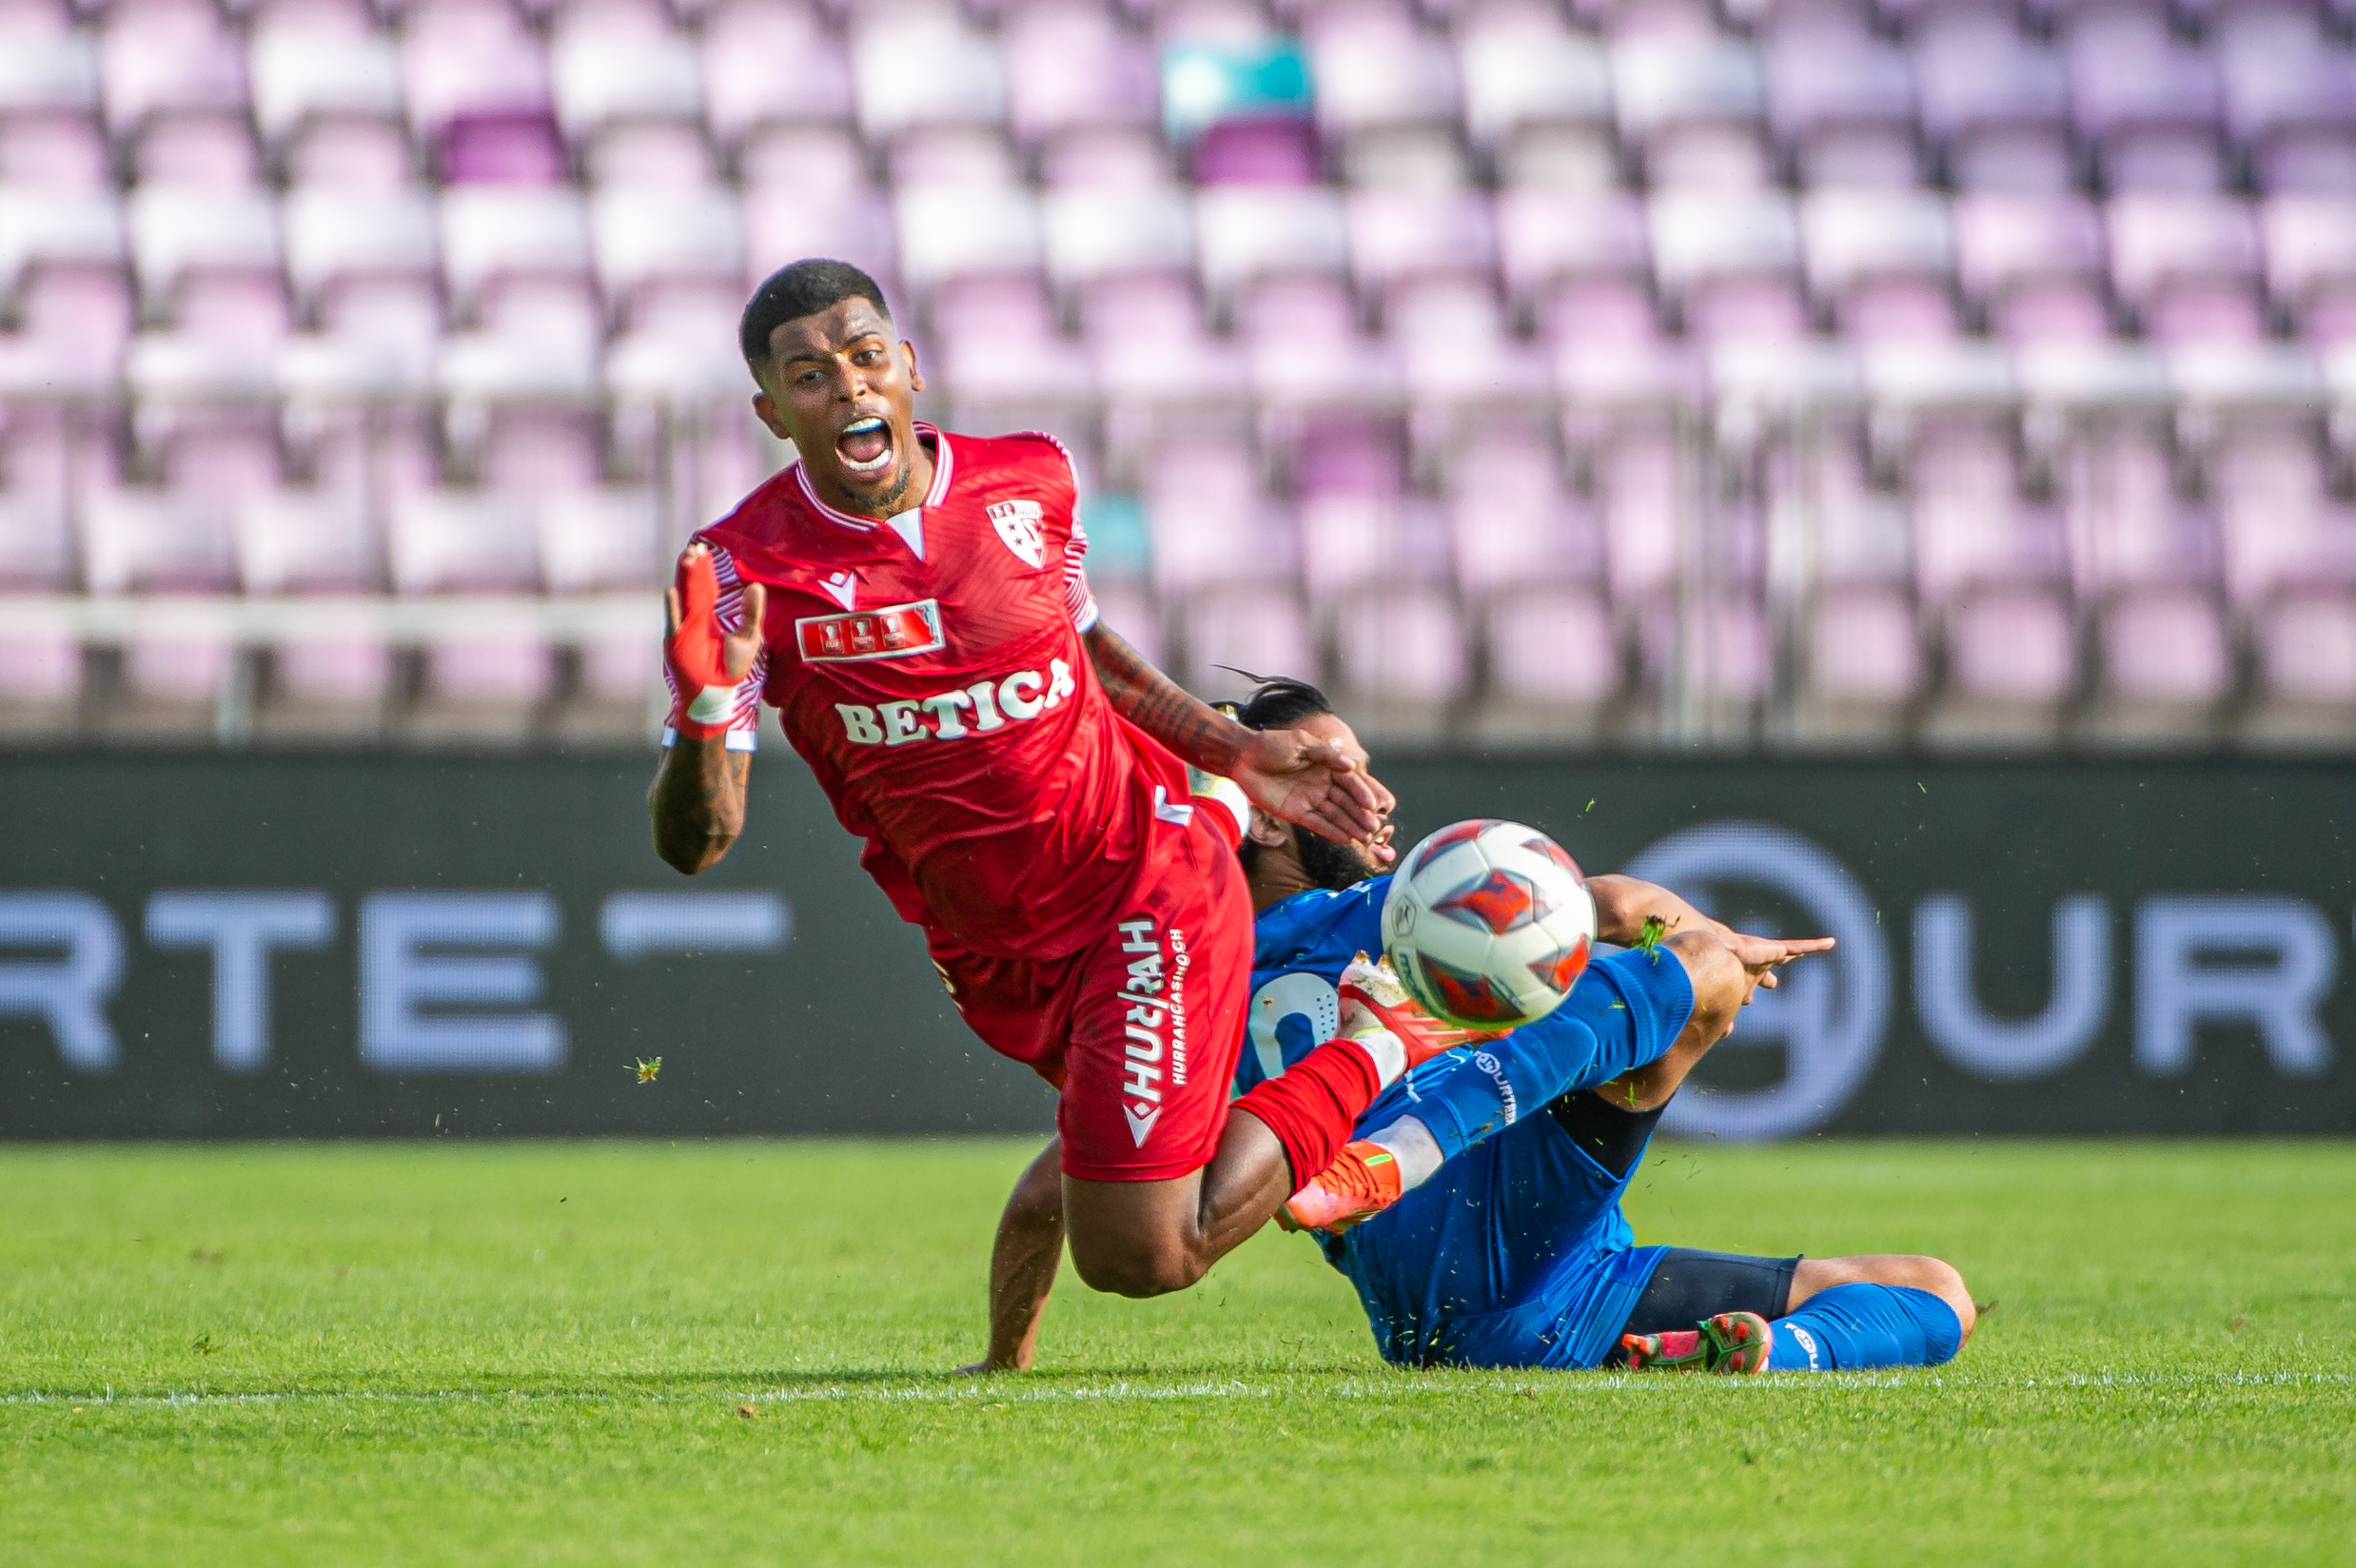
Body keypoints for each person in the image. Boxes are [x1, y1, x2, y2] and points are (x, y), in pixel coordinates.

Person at [649, 259, 1462, 1302]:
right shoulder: (737, 571)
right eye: (809, 376)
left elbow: (1091, 652)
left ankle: (1376, 1035)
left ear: (908, 368)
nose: (847, 387)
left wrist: (1235, 753)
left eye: (864, 359)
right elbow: (694, 843)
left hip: (1141, 887)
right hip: (992, 949)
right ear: (771, 411)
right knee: (1151, 1185)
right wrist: (711, 714)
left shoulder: (1030, 479)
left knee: (1140, 1256)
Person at [967, 680, 1975, 1376]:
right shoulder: (1376, 915)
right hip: (1502, 1219)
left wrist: (1005, 1361)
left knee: (1934, 1292)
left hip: (1476, 1318)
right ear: (1265, 816)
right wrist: (1713, 945)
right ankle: (1411, 1144)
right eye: (1335, 777)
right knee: (1696, 970)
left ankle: (1753, 1354)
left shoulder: (1175, 987)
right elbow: (1618, 904)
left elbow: (1039, 1199)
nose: (1375, 798)